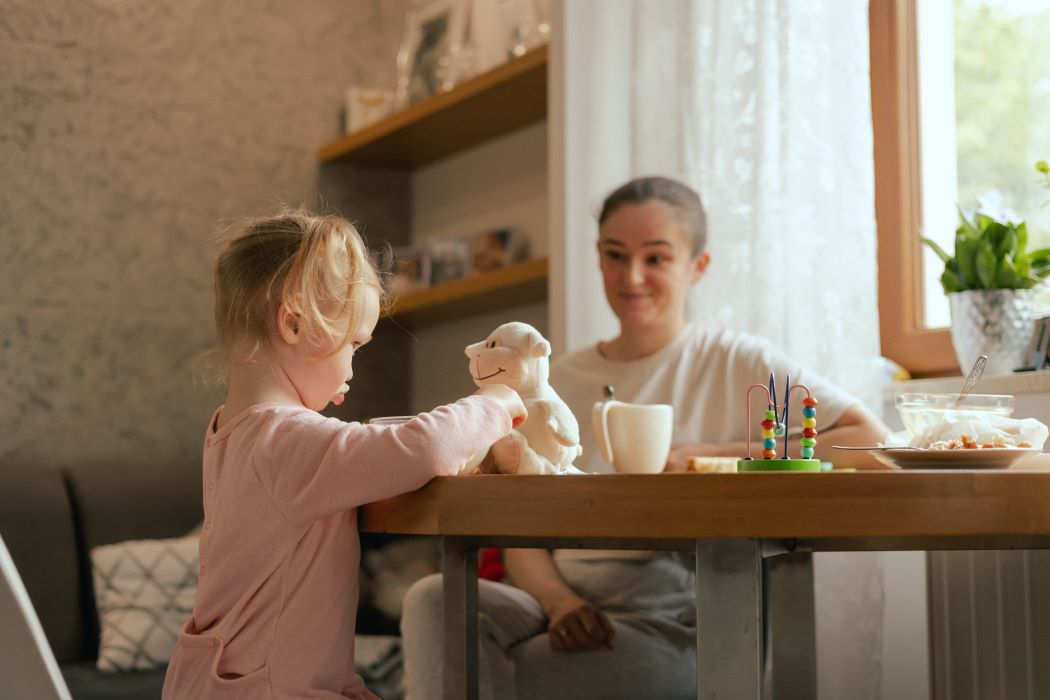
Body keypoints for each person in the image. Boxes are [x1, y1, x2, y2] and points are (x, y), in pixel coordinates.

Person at [399, 176, 888, 700]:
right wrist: (560, 602)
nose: (632, 277)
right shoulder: (554, 376)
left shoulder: (736, 360)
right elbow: (526, 521)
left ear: (698, 266)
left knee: (489, 675)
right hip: (552, 603)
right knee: (432, 598)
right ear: (598, 258)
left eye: (656, 259)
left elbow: (870, 440)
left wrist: (710, 457)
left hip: (669, 621)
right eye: (615, 255)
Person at [161, 210, 526, 700]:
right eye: (353, 344)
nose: (353, 367)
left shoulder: (229, 432)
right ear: (292, 323)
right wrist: (496, 402)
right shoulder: (285, 439)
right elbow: (422, 447)